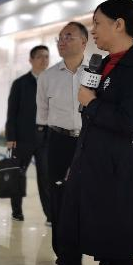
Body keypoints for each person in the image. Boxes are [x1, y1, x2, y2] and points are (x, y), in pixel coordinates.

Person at [34, 0, 133, 265]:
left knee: (119, 250)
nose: (94, 31)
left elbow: (128, 122)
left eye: (98, 23)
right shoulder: (100, 65)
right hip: (86, 163)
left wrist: (91, 103)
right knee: (68, 238)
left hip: (117, 170)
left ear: (119, 24)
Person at [36, 21, 88, 248]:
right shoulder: (47, 77)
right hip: (58, 142)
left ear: (84, 42)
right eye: (60, 38)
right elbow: (42, 114)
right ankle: (62, 252)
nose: (62, 41)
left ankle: (90, 249)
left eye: (69, 36)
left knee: (88, 195)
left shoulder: (97, 73)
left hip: (88, 142)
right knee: (58, 196)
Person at [5, 44, 51, 222]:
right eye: (39, 56)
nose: (44, 60)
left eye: (46, 56)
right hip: (23, 138)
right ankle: (16, 211)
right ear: (31, 60)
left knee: (46, 178)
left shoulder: (52, 82)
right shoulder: (20, 84)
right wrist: (11, 137)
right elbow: (12, 112)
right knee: (18, 175)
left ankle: (50, 215)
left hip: (46, 137)